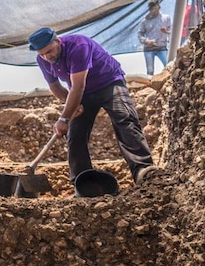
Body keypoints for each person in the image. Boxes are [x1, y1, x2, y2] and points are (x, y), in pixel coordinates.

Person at [28, 27, 156, 186]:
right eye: (42, 54)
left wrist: (64, 118)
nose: (47, 57)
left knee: (124, 118)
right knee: (75, 134)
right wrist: (71, 104)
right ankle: (83, 182)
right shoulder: (43, 60)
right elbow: (55, 87)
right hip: (82, 94)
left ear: (58, 41)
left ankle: (144, 171)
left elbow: (78, 86)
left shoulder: (78, 45)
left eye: (50, 51)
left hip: (109, 82)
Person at [137, 0, 170, 75]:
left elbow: (173, 31)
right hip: (149, 48)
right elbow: (140, 34)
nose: (154, 11)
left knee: (168, 65)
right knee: (150, 70)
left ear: (159, 7)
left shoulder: (166, 18)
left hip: (162, 47)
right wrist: (146, 41)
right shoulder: (145, 21)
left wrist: (166, 31)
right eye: (152, 9)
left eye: (156, 8)